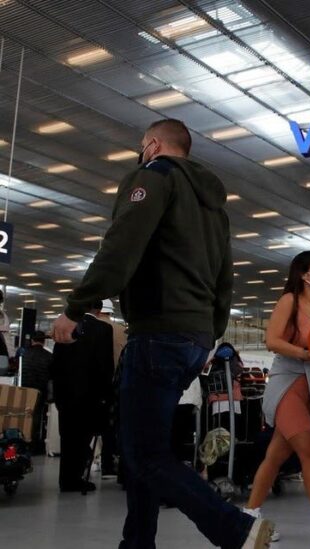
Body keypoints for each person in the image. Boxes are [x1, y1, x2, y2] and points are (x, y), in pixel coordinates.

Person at [52, 119, 273, 547]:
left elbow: (120, 246)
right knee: (145, 449)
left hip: (157, 332)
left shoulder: (153, 177)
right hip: (193, 338)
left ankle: (236, 528)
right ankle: (137, 542)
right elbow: (225, 278)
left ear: (152, 145)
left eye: (141, 147)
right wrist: (209, 336)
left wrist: (76, 308)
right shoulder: (213, 206)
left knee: (144, 454)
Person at [245, 251, 310, 542]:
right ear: (303, 274)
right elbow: (271, 341)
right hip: (287, 387)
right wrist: (303, 353)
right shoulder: (289, 301)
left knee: (274, 457)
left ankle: (249, 517)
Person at [51, 301, 114, 492]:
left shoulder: (64, 326)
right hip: (90, 394)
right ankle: (77, 477)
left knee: (67, 437)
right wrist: (106, 393)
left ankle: (66, 479)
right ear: (98, 309)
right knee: (84, 436)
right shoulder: (103, 329)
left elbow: (55, 362)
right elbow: (105, 365)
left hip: (65, 393)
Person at [97, 299, 128, 478]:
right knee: (115, 426)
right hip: (117, 384)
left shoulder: (88, 327)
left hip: (96, 384)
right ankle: (110, 464)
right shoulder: (120, 330)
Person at [20, 330, 52, 451]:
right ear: (44, 342)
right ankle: (34, 443)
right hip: (40, 391)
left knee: (23, 415)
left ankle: (22, 440)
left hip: (23, 389)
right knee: (37, 416)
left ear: (32, 340)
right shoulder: (49, 356)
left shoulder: (24, 354)